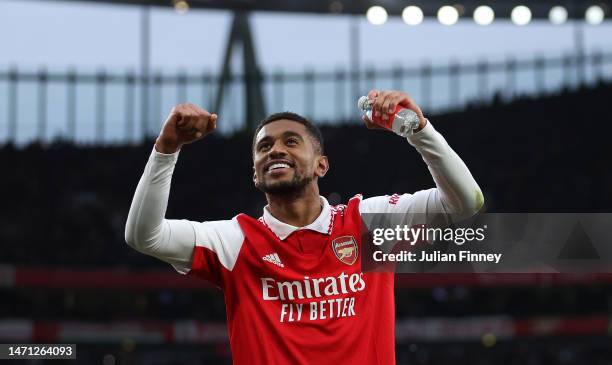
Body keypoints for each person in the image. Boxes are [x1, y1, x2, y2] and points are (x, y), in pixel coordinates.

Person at [125, 89, 483, 364]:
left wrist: (419, 131)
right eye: (264, 147)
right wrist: (167, 148)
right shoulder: (234, 241)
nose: (274, 150)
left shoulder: (367, 223)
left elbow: (465, 202)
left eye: (290, 141)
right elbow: (144, 236)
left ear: (321, 166)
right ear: (255, 173)